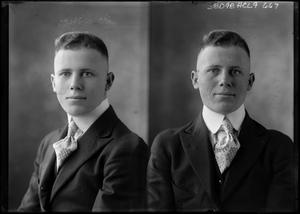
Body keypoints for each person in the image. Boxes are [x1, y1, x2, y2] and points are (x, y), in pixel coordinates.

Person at [147, 30, 297, 212]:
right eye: (213, 70)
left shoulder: (279, 148)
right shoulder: (168, 146)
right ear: (195, 79)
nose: (225, 80)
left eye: (235, 71)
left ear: (250, 82)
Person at [18, 32, 149, 211]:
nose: (74, 84)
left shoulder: (128, 148)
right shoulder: (48, 142)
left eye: (87, 74)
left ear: (108, 82)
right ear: (53, 82)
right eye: (65, 74)